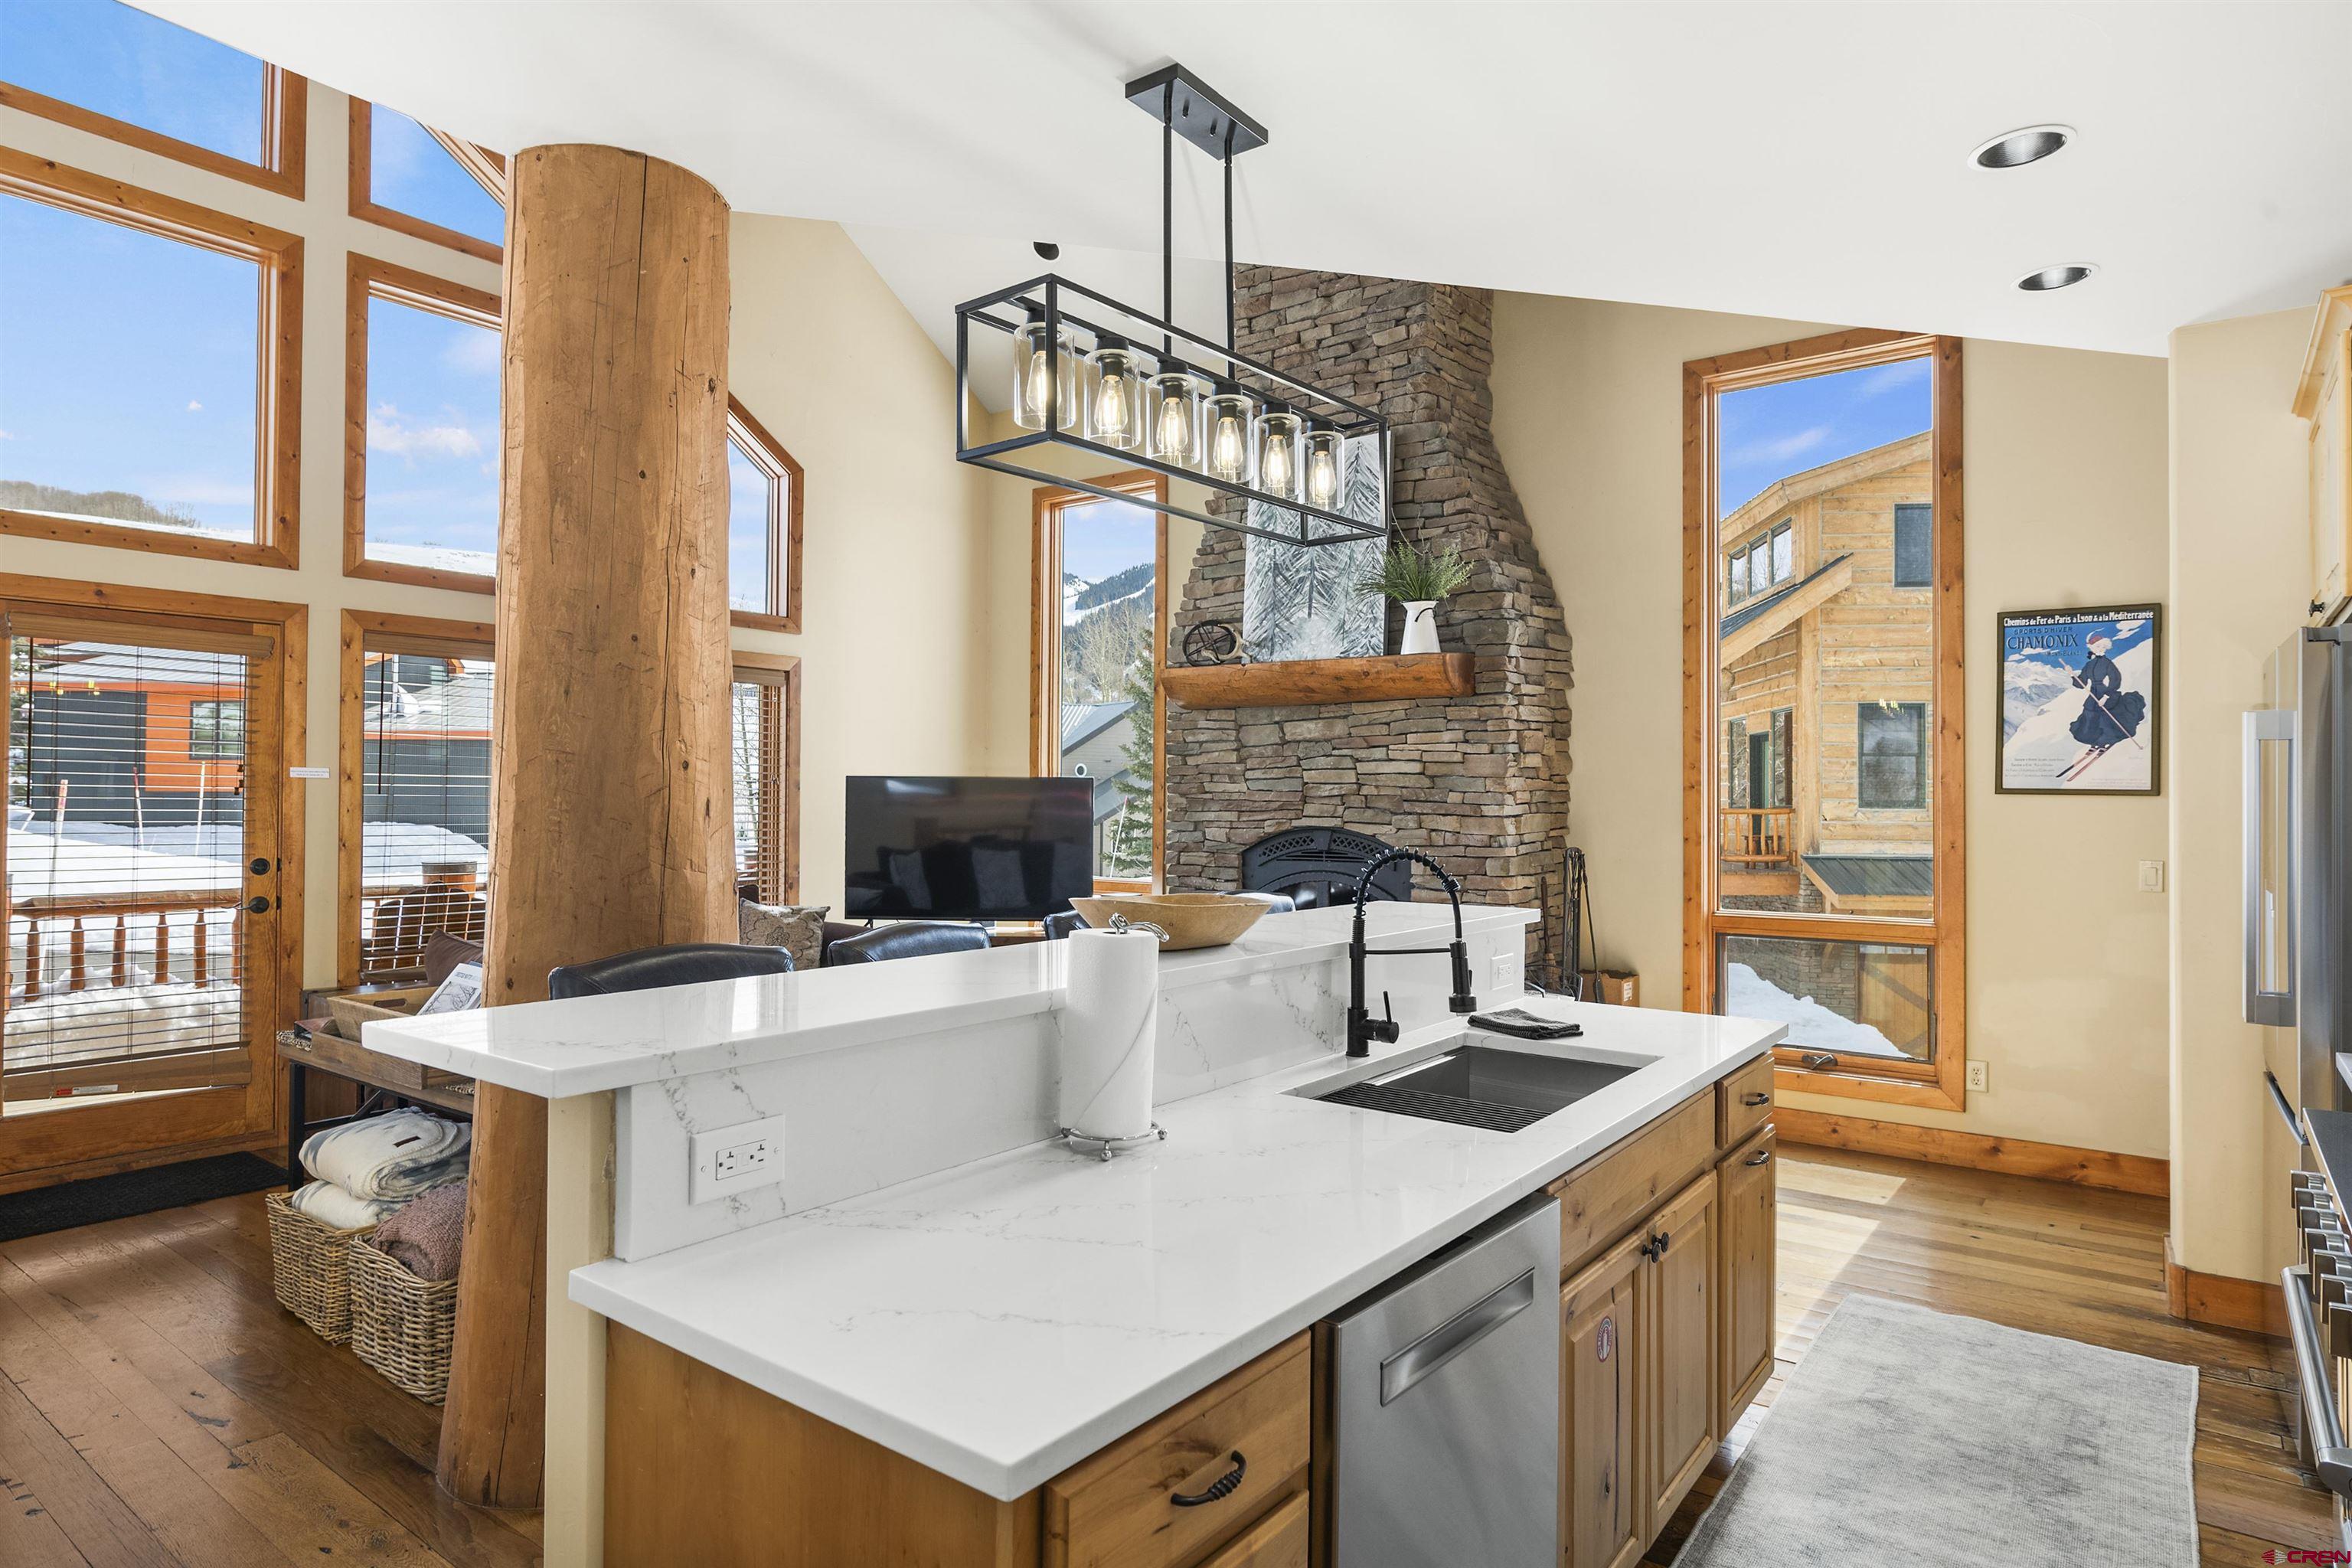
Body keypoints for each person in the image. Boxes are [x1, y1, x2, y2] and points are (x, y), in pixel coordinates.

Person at [2068, 632, 2146, 750]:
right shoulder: (2089, 664)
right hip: (2094, 694)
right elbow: (2082, 683)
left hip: (2107, 693)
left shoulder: (2108, 663)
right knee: (2090, 716)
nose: (2101, 649)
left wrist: (2106, 696)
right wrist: (2071, 674)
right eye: (2098, 646)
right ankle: (2094, 741)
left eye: (2104, 646)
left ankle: (2104, 742)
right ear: (2092, 648)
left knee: (2104, 719)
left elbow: (2116, 680)